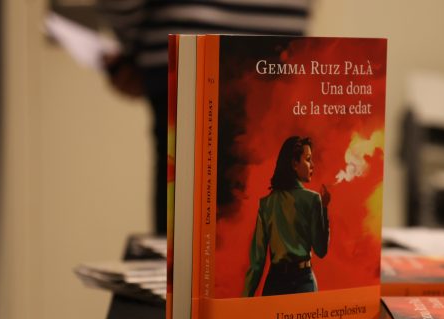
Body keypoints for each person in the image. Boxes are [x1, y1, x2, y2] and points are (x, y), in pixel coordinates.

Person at [97, 0, 310, 233]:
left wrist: (133, 51)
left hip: (191, 55)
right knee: (266, 215)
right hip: (279, 55)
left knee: (189, 233)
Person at [243, 136, 330, 296]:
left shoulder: (266, 204)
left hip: (275, 284)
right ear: (294, 164)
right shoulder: (313, 200)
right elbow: (321, 250)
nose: (312, 165)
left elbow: (257, 263)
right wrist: (324, 209)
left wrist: (244, 300)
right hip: (304, 283)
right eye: (308, 159)